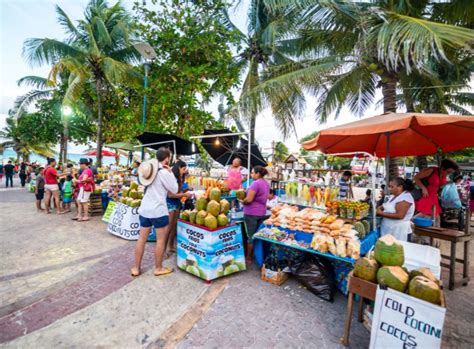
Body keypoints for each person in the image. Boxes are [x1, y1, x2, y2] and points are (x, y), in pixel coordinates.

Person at [132, 148, 178, 277]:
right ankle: (158, 268)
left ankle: (136, 268)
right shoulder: (164, 172)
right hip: (158, 210)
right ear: (167, 159)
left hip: (145, 209)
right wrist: (170, 172)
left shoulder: (149, 169)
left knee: (141, 239)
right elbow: (174, 189)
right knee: (160, 240)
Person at [240, 166, 270, 264]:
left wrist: (241, 201)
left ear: (258, 174)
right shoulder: (266, 183)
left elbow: (249, 200)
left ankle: (249, 258)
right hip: (262, 212)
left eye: (252, 173)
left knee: (251, 236)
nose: (251, 175)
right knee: (257, 235)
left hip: (251, 213)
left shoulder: (255, 184)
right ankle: (256, 255)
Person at [377, 177, 415, 241]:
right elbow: (384, 206)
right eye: (389, 186)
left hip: (399, 232)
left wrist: (381, 213)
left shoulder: (405, 198)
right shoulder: (393, 196)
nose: (389, 189)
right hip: (389, 229)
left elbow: (400, 215)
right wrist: (378, 208)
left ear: (400, 187)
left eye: (392, 187)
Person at [166, 160, 191, 255]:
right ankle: (163, 249)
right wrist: (183, 194)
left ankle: (171, 246)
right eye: (183, 169)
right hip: (170, 203)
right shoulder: (172, 178)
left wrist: (184, 192)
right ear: (179, 168)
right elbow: (170, 195)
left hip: (177, 203)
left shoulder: (181, 178)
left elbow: (179, 192)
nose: (184, 171)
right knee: (169, 227)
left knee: (175, 226)